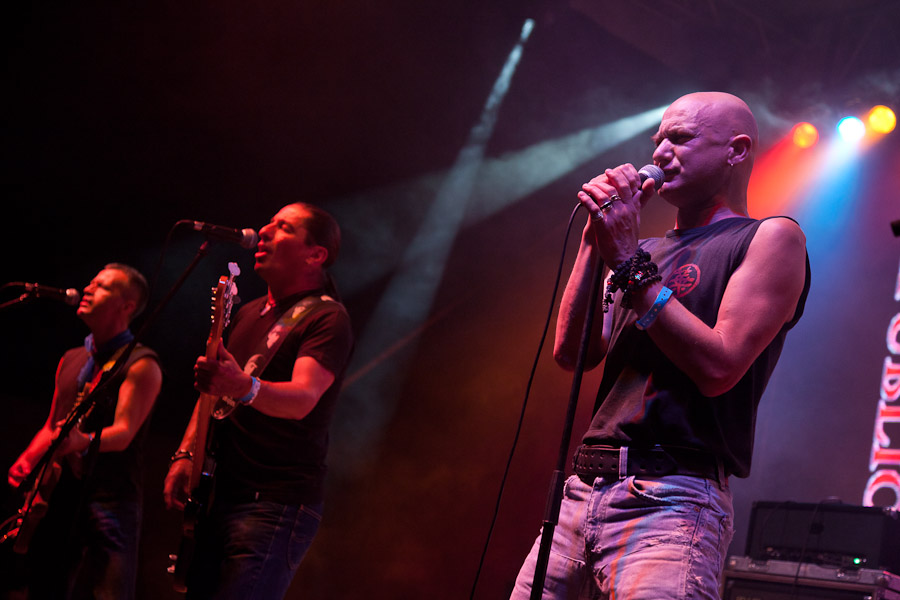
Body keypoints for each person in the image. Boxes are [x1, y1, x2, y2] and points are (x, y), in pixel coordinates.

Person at [511, 92, 811, 599]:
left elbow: (719, 367)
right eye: (657, 140)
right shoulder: (644, 252)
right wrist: (594, 240)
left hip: (671, 499)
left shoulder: (771, 238)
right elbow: (573, 353)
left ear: (737, 150)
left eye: (680, 138)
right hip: (580, 493)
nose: (659, 153)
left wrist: (627, 260)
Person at [164, 202, 354, 600]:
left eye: (283, 227)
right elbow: (212, 390)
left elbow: (303, 398)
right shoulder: (248, 311)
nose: (263, 231)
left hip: (274, 503)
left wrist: (244, 387)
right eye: (268, 222)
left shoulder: (326, 317)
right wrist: (185, 453)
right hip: (220, 496)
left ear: (315, 254)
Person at [5, 263, 162, 600]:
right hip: (61, 495)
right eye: (90, 282)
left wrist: (84, 441)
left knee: (109, 591)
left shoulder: (141, 363)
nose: (88, 289)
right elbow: (53, 425)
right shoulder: (72, 358)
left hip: (111, 497)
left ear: (127, 306)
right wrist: (28, 459)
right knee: (45, 587)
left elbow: (124, 432)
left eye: (102, 286)